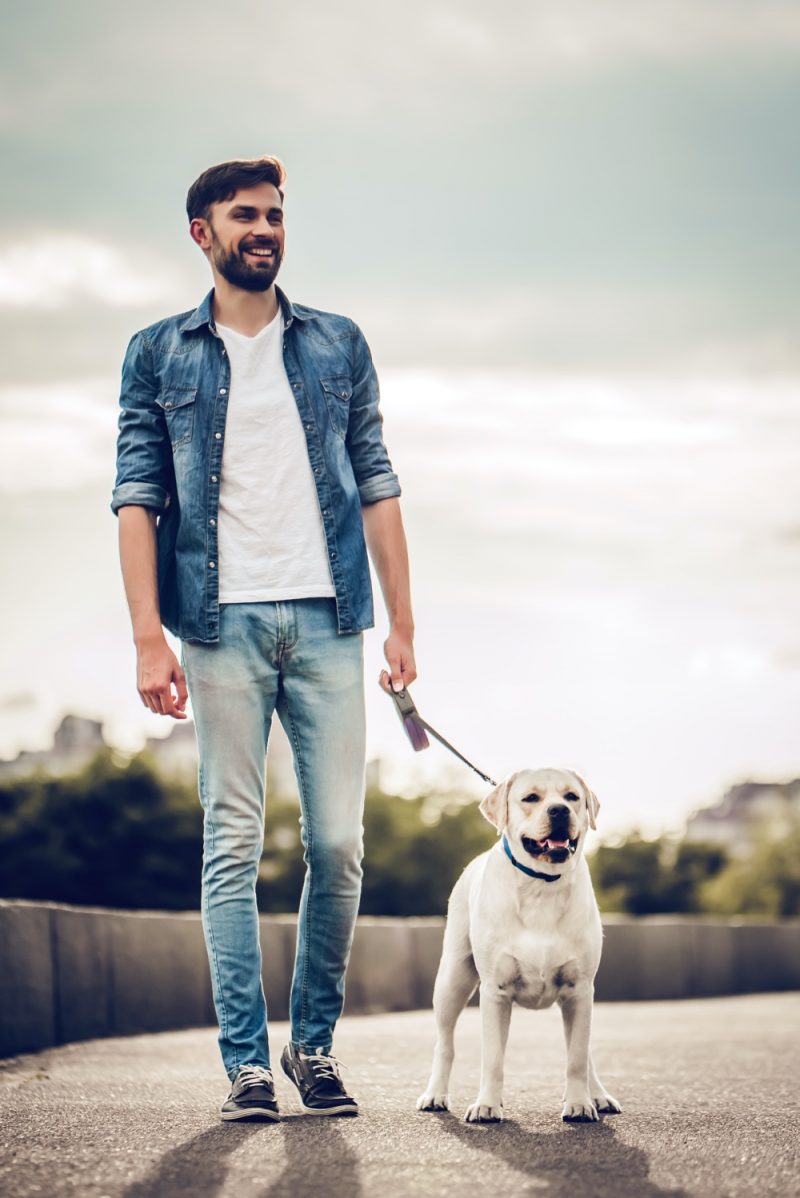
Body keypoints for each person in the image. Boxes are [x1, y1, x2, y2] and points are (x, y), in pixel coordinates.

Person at [111, 156, 416, 1122]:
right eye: (245, 215)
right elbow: (136, 497)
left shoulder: (337, 344)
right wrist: (146, 639)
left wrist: (403, 620)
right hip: (217, 621)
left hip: (330, 618)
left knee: (339, 842)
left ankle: (312, 1048)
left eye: (276, 215)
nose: (265, 229)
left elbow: (376, 476)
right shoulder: (158, 353)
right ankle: (246, 1061)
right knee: (231, 842)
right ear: (201, 232)